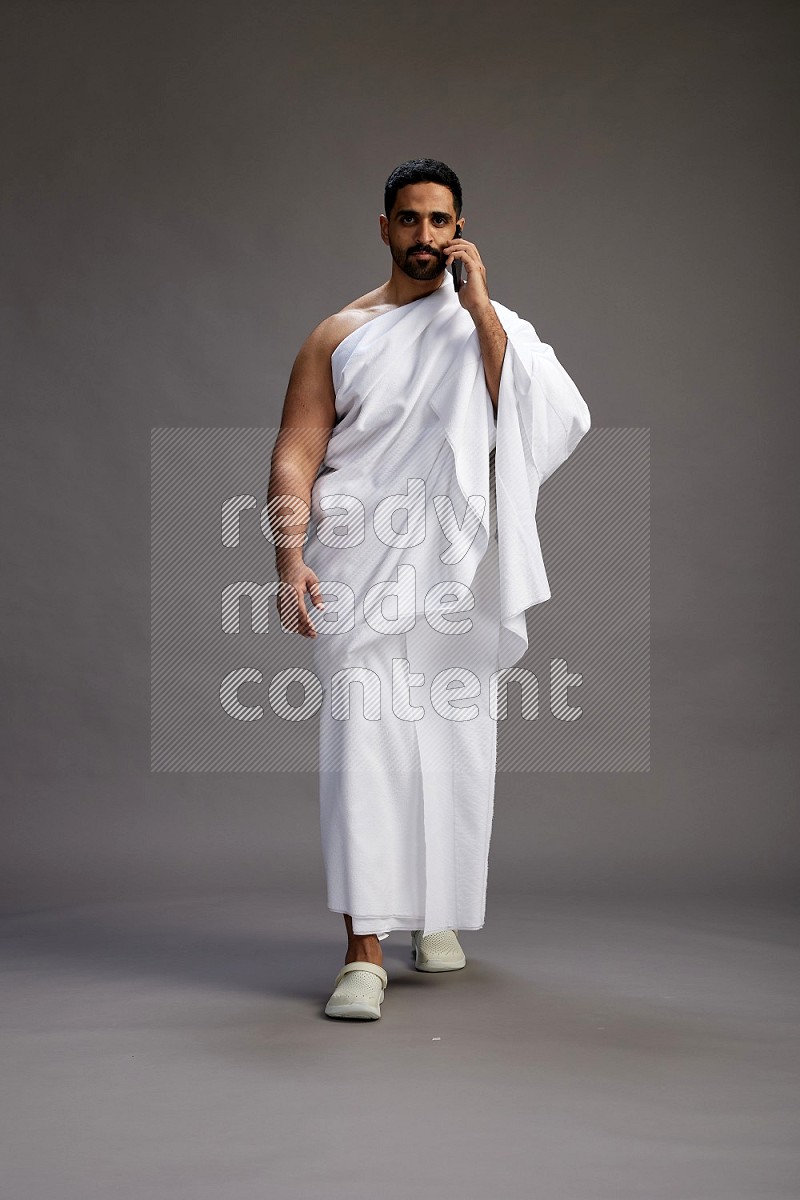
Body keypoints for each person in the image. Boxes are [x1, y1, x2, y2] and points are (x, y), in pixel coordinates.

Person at [267, 158, 591, 1019]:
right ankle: (362, 953)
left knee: (453, 743)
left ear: (461, 228)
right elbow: (298, 450)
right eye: (408, 222)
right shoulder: (340, 333)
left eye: (440, 222)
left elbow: (538, 417)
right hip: (357, 562)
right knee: (362, 753)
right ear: (384, 227)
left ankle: (436, 915)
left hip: (455, 571)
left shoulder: (488, 326)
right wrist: (288, 558)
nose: (425, 239)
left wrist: (480, 307)